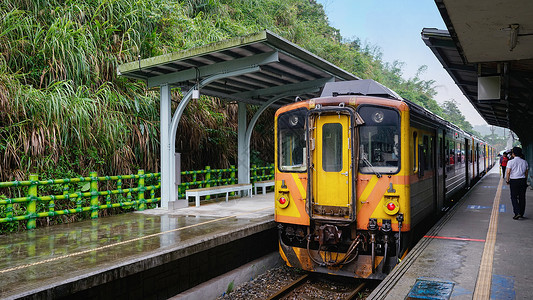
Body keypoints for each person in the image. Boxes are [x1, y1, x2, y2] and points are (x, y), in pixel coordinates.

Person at [506, 146, 529, 219]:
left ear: (513, 154)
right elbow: (526, 172)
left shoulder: (510, 162)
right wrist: (525, 180)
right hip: (522, 180)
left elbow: (508, 172)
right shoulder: (524, 162)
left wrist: (507, 180)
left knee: (514, 197)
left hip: (514, 181)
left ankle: (517, 212)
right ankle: (521, 213)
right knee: (522, 197)